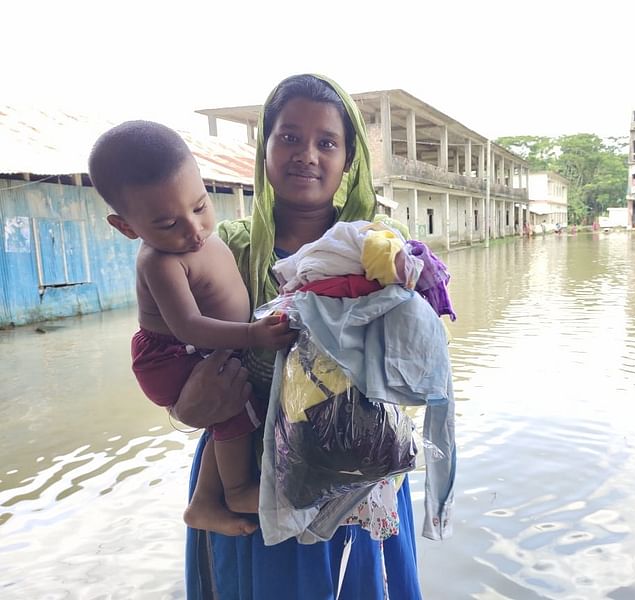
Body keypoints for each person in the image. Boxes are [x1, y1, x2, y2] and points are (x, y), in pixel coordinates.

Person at [170, 74, 423, 599]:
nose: (306, 154)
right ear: (264, 149)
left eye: (326, 142)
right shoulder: (221, 252)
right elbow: (173, 357)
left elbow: (412, 366)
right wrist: (183, 410)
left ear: (348, 161)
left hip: (355, 464)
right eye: (288, 137)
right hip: (246, 476)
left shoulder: (379, 250)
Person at [88, 122, 297, 537]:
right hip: (174, 355)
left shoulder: (215, 237)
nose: (193, 230)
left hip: (201, 348)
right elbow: (190, 327)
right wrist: (253, 335)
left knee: (231, 416)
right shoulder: (160, 263)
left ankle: (203, 503)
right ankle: (236, 490)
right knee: (234, 407)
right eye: (168, 224)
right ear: (126, 227)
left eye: (200, 206)